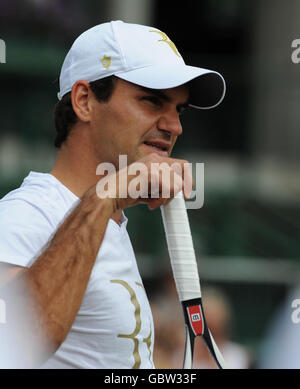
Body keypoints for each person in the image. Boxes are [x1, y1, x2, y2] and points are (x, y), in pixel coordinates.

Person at [0, 20, 225, 368]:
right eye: (152, 101)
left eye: (178, 110)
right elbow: (11, 348)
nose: (174, 126)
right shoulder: (24, 214)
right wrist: (104, 197)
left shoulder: (110, 221)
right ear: (84, 100)